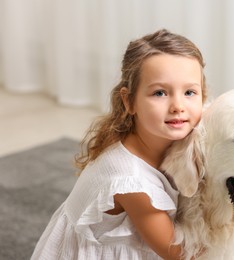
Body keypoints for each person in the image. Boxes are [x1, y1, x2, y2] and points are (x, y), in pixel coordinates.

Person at [31, 29, 207, 260]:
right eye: (160, 93)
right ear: (129, 101)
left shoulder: (159, 142)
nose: (178, 105)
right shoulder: (132, 183)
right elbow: (180, 253)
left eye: (190, 92)